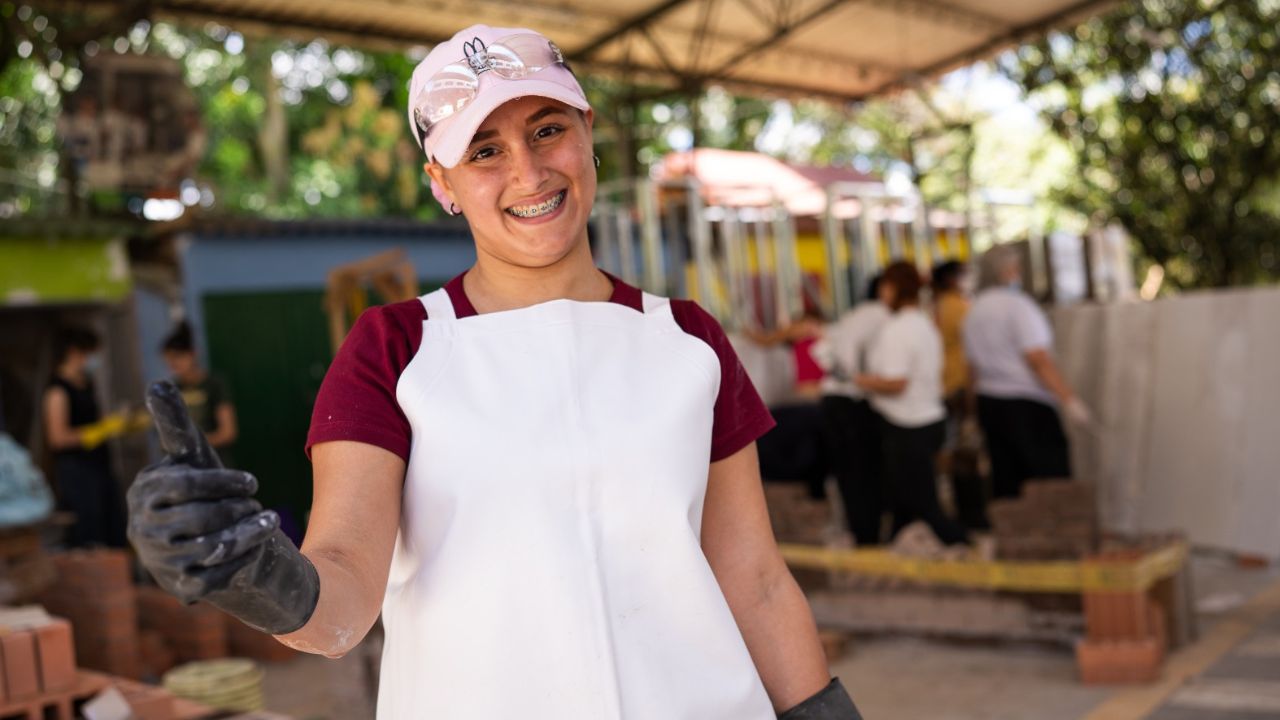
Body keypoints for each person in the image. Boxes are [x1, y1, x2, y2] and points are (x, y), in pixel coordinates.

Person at [126, 25, 861, 720]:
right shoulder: (395, 348)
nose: (529, 172)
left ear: (587, 132)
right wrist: (252, 572)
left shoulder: (688, 339)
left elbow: (756, 580)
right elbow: (345, 591)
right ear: (441, 182)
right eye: (484, 151)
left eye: (547, 129)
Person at [963, 244, 1091, 500]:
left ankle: (1014, 525)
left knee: (1008, 482)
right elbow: (1037, 358)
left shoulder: (974, 311)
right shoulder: (1018, 306)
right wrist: (1068, 399)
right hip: (1027, 405)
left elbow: (971, 369)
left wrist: (972, 410)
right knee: (1049, 479)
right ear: (1007, 271)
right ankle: (1050, 525)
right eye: (1016, 268)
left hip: (990, 402)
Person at [856, 262, 967, 546]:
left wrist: (860, 380)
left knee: (923, 501)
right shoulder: (924, 324)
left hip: (908, 424)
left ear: (894, 288)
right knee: (902, 501)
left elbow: (897, 382)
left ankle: (961, 543)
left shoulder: (897, 329)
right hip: (930, 417)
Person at [810, 275, 890, 545]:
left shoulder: (857, 315)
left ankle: (862, 532)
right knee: (862, 471)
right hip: (851, 400)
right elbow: (855, 366)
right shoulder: (879, 315)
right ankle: (868, 534)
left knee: (850, 472)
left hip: (835, 399)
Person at [42, 326, 131, 547]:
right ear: (75, 352)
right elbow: (57, 437)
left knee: (112, 526)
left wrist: (116, 423)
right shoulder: (58, 390)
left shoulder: (87, 383)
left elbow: (97, 421)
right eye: (92, 353)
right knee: (89, 529)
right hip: (77, 472)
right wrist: (96, 432)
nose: (95, 359)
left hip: (99, 465)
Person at [160, 321, 237, 456]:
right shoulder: (172, 389)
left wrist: (192, 443)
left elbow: (228, 432)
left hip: (213, 461)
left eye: (177, 358)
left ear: (192, 354)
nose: (174, 365)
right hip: (186, 464)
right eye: (169, 361)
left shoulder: (213, 384)